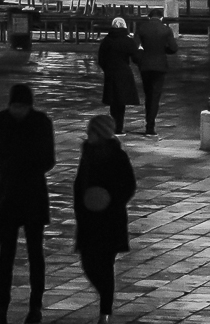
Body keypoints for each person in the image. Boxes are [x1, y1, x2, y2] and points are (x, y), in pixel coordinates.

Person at [0, 84, 55, 323]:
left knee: (35, 253)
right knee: (6, 254)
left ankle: (35, 307)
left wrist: (21, 162)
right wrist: (9, 164)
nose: (18, 111)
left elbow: (49, 159)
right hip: (8, 195)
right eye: (15, 106)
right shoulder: (0, 121)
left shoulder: (41, 122)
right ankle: (1, 306)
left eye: (22, 107)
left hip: (33, 194)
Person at [73, 115, 136, 324]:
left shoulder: (118, 156)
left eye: (91, 131)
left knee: (105, 265)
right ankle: (105, 296)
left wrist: (109, 200)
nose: (88, 135)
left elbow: (129, 186)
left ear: (100, 134)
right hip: (89, 219)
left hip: (110, 219)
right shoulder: (87, 154)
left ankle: (105, 311)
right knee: (89, 263)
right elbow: (79, 183)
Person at [133, 9, 177, 136]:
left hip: (145, 65)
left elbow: (135, 47)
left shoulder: (142, 28)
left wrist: (140, 59)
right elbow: (173, 48)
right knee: (155, 96)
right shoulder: (166, 30)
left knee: (148, 94)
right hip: (160, 66)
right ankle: (150, 126)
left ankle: (148, 121)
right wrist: (163, 51)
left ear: (149, 17)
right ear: (161, 18)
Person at [97, 17, 141, 134]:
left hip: (111, 73)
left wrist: (107, 69)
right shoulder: (128, 41)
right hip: (124, 72)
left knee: (113, 101)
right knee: (121, 102)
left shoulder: (107, 40)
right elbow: (135, 58)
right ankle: (119, 127)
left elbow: (101, 59)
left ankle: (113, 125)